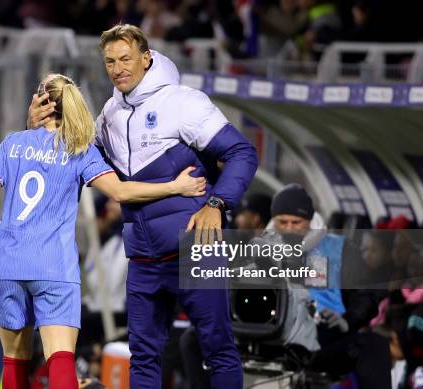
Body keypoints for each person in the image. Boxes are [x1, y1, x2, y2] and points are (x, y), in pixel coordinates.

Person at [28, 23, 257, 389]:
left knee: (217, 349)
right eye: (110, 61)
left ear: (146, 58)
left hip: (195, 249)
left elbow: (242, 151)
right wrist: (40, 129)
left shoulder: (183, 102)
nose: (118, 68)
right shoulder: (108, 116)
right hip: (144, 258)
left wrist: (217, 203)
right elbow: (69, 160)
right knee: (143, 357)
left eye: (125, 58)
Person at [0, 73, 207, 389]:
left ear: (39, 102)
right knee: (60, 360)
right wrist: (174, 186)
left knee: (14, 360)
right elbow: (122, 193)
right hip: (53, 266)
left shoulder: (13, 143)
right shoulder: (79, 150)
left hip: (7, 265)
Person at [269, 183, 391, 389]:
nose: (289, 228)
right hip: (269, 339)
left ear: (309, 220)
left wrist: (346, 321)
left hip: (323, 339)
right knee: (195, 338)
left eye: (296, 222)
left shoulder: (340, 249)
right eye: (282, 222)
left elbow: (365, 295)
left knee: (373, 345)